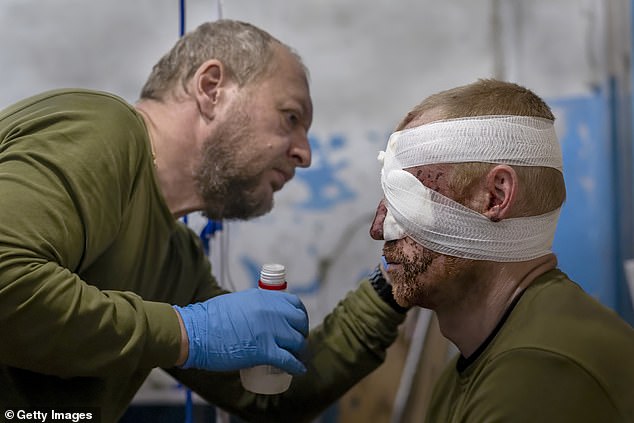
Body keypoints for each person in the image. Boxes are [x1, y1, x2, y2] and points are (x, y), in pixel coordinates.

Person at [0, 19, 408, 423]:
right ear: (212, 88)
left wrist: (388, 288)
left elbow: (271, 397)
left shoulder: (176, 260)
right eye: (290, 118)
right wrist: (183, 332)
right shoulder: (102, 130)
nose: (305, 154)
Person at [370, 78, 634, 422]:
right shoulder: (467, 372)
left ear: (495, 197)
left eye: (405, 194)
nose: (378, 229)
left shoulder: (538, 374)